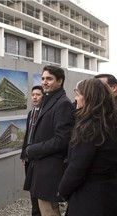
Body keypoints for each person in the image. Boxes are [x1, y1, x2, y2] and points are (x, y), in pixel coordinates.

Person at [58, 79, 117, 216]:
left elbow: (76, 169)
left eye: (78, 94)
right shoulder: (110, 123)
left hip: (89, 199)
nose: (75, 98)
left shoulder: (89, 129)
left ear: (89, 98)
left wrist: (62, 192)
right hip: (110, 195)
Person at [23, 65, 74, 216]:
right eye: (43, 78)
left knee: (49, 211)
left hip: (50, 170)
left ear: (60, 81)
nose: (44, 82)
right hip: (42, 167)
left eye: (49, 79)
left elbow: (62, 140)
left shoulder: (62, 103)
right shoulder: (49, 100)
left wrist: (33, 149)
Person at [21, 85, 44, 216]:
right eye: (33, 94)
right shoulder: (31, 113)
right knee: (31, 186)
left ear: (43, 96)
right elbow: (27, 134)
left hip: (39, 156)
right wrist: (24, 154)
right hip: (29, 157)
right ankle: (35, 211)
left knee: (39, 186)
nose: (35, 97)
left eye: (38, 95)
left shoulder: (44, 113)